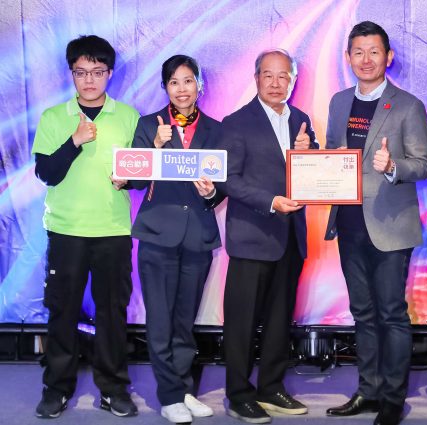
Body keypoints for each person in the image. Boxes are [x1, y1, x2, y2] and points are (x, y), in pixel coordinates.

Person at [324, 21, 427, 425]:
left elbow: (422, 164)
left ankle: (392, 398)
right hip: (348, 221)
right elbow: (334, 153)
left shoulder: (408, 105)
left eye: (374, 51)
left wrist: (392, 166)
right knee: (362, 313)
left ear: (389, 57)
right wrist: (313, 153)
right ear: (348, 57)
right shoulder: (338, 102)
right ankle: (368, 391)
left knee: (391, 313)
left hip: (390, 225)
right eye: (358, 52)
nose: (366, 59)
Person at [31, 35, 139, 418]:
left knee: (113, 313)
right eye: (81, 72)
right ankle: (56, 389)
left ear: (110, 73)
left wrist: (129, 180)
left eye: (97, 71)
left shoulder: (128, 116)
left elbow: (141, 173)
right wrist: (74, 141)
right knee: (62, 312)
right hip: (66, 230)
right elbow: (46, 172)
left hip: (112, 230)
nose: (89, 80)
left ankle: (113, 389)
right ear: (71, 74)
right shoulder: (53, 117)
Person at [220, 48, 318, 424]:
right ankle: (239, 393)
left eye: (283, 76)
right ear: (256, 78)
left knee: (280, 320)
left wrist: (311, 153)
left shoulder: (302, 119)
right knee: (242, 323)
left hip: (290, 238)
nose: (276, 83)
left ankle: (271, 387)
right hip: (252, 236)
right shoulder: (236, 122)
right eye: (268, 75)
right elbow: (228, 179)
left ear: (292, 80)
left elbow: (312, 172)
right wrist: (270, 202)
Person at [124, 55, 223, 424]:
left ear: (200, 84)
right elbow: (135, 180)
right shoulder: (148, 124)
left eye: (188, 80)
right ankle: (168, 396)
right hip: (158, 236)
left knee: (185, 320)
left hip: (198, 236)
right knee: (161, 321)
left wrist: (213, 193)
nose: (182, 89)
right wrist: (154, 147)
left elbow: (222, 183)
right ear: (165, 87)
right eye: (174, 82)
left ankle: (182, 389)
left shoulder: (216, 129)